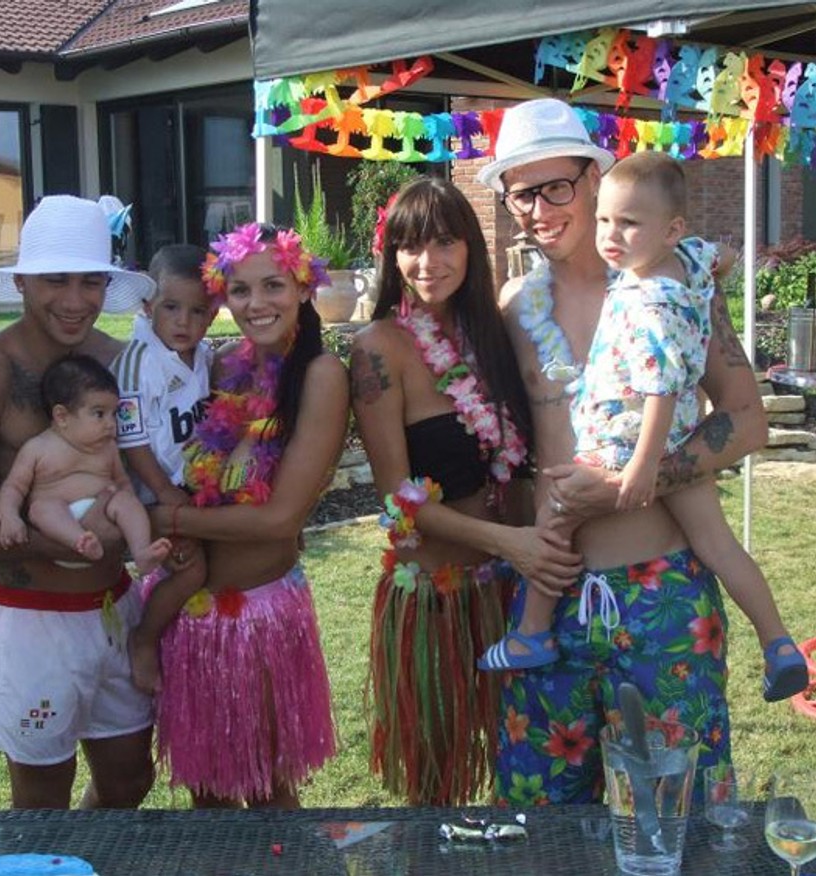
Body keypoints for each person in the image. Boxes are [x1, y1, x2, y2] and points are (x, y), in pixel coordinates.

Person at [476, 98, 769, 805]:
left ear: (594, 179)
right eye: (521, 194)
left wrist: (632, 484)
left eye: (557, 187)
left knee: (682, 817)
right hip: (551, 599)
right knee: (538, 818)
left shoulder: (675, 286)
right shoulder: (514, 307)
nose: (539, 211)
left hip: (662, 594)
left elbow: (747, 420)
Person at [348, 177, 584, 806]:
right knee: (438, 782)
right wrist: (510, 541)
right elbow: (398, 498)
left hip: (513, 593)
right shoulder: (379, 349)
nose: (428, 262)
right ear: (392, 255)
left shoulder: (493, 336)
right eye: (411, 246)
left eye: (445, 242)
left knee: (528, 773)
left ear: (471, 247)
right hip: (436, 601)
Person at [0, 194, 159, 810]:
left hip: (113, 609)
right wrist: (63, 541)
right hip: (27, 616)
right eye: (56, 280)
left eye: (91, 282)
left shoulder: (121, 363)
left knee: (130, 781)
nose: (75, 300)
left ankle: (86, 856)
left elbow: (157, 472)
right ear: (22, 282)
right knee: (40, 801)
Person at [145, 221, 345, 808]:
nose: (256, 303)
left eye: (273, 286)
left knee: (269, 792)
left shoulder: (321, 375)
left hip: (260, 618)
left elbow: (280, 520)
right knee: (206, 795)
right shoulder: (220, 364)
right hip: (190, 613)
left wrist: (168, 521)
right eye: (239, 290)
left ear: (303, 287)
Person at [110, 244, 214, 694]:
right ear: (147, 305)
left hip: (190, 488)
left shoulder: (204, 356)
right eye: (171, 307)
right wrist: (165, 493)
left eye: (197, 311)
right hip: (153, 493)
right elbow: (131, 438)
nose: (183, 321)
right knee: (192, 570)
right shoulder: (138, 361)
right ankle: (144, 640)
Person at [0, 354, 172, 574]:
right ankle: (80, 540)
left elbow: (122, 481)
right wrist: (9, 517)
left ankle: (141, 552)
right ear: (62, 416)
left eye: (114, 414)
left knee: (126, 501)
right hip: (59, 527)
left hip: (106, 515)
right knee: (40, 509)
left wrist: (127, 501)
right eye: (99, 414)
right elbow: (14, 487)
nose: (110, 424)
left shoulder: (108, 448)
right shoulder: (38, 448)